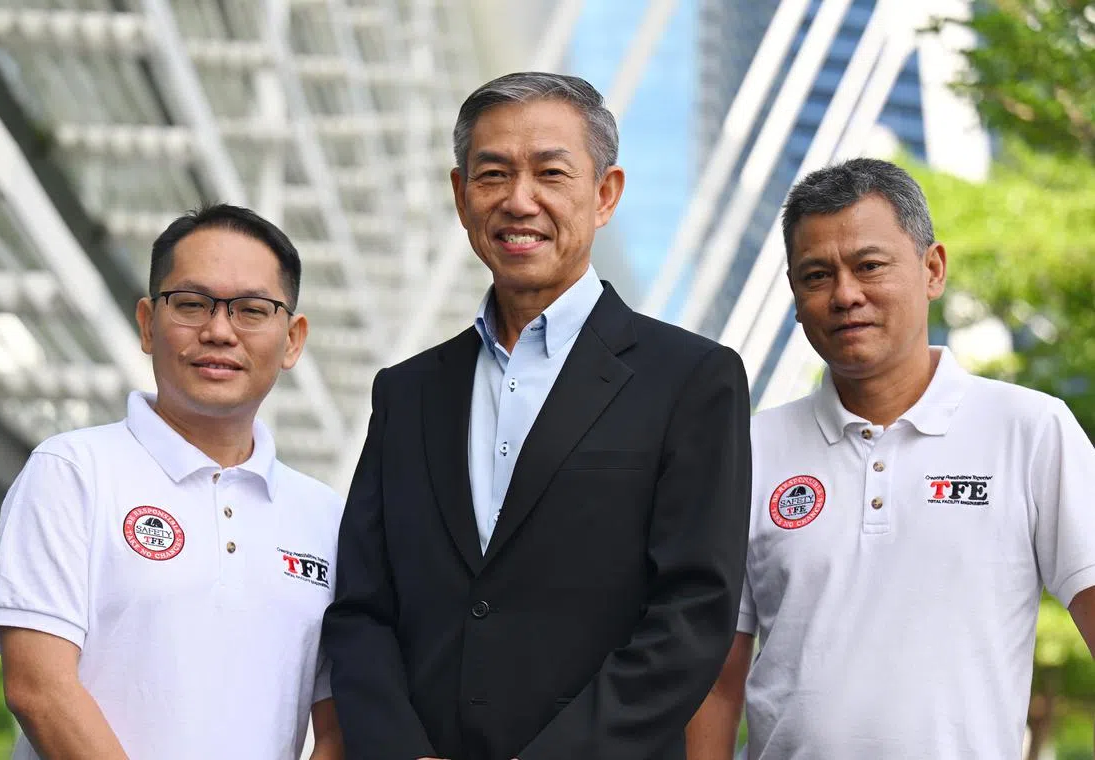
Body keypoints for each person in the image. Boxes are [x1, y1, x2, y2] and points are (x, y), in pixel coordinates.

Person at [322, 71, 752, 760]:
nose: (520, 201)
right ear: (461, 198)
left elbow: (692, 614)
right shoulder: (404, 393)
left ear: (605, 194)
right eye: (493, 175)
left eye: (551, 173)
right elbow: (363, 606)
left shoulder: (692, 380)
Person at [686, 158, 1095, 759]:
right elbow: (716, 680)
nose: (846, 294)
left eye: (870, 266)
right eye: (817, 275)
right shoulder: (748, 450)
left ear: (933, 269)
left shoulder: (1031, 430)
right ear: (796, 298)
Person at [0, 205, 345, 759]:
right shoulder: (72, 472)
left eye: (251, 310)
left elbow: (338, 725)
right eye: (192, 304)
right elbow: (39, 689)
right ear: (147, 323)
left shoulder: (326, 518)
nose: (219, 331)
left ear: (292, 339)